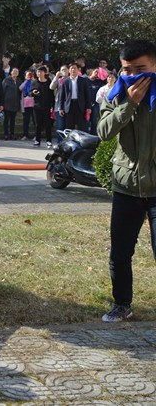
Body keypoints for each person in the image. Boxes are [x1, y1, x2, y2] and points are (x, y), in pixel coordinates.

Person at [97, 39, 156, 323]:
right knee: (120, 252)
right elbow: (104, 131)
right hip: (126, 185)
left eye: (140, 69)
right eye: (127, 70)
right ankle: (122, 304)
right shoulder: (116, 94)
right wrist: (129, 104)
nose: (133, 76)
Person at [56, 62, 93, 131]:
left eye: (75, 68)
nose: (73, 70)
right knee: (69, 127)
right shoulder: (65, 81)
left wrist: (88, 107)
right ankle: (71, 141)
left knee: (82, 126)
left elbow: (87, 95)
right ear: (69, 70)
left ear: (78, 70)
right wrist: (60, 107)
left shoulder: (83, 80)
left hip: (80, 106)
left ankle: (82, 141)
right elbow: (61, 96)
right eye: (71, 68)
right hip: (69, 106)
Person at [29, 66, 54, 147]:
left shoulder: (49, 82)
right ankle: (37, 140)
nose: (39, 73)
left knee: (48, 124)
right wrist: (33, 92)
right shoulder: (34, 82)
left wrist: (52, 106)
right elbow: (30, 93)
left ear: (44, 72)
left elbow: (51, 95)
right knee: (37, 124)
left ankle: (49, 140)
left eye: (41, 72)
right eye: (38, 72)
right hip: (37, 106)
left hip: (47, 106)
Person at [1, 67, 21, 140]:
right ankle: (6, 134)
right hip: (7, 103)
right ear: (11, 72)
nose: (15, 73)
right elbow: (2, 92)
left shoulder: (19, 81)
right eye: (14, 71)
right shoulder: (6, 80)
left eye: (17, 72)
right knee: (6, 119)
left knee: (13, 120)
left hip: (15, 103)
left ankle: (12, 133)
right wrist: (1, 103)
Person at [19, 69, 37, 140]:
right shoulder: (25, 82)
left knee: (35, 121)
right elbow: (20, 88)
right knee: (26, 120)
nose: (29, 76)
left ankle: (36, 135)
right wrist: (26, 80)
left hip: (33, 103)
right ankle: (25, 135)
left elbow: (36, 87)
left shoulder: (34, 82)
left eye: (30, 74)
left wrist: (33, 80)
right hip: (26, 104)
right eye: (28, 75)